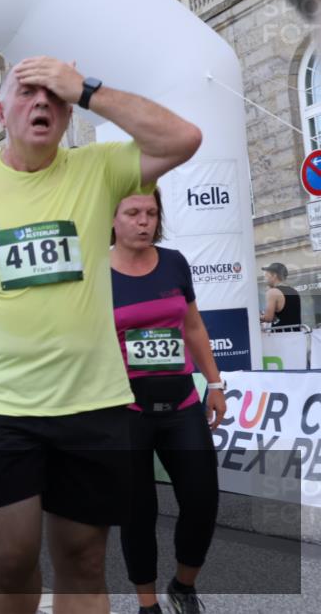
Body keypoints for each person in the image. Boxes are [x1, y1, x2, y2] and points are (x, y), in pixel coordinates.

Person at [0, 56, 202, 614]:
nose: (42, 104)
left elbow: (183, 137)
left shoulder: (97, 169)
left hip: (93, 402)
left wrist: (86, 89)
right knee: (11, 554)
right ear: (1, 112)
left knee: (81, 557)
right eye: (27, 94)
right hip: (3, 406)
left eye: (54, 97)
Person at [110, 191, 227, 614]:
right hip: (125, 409)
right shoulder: (96, 272)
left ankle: (183, 583)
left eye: (151, 213)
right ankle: (147, 604)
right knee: (137, 511)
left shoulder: (175, 262)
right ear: (114, 218)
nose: (144, 221)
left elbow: (193, 325)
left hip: (180, 403)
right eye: (133, 213)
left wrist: (215, 383)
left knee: (202, 498)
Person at [260, 262, 302, 329]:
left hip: (281, 336)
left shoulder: (272, 292)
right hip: (297, 335)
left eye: (266, 275)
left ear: (274, 275)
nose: (265, 278)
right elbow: (287, 315)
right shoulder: (294, 291)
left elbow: (268, 318)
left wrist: (257, 317)